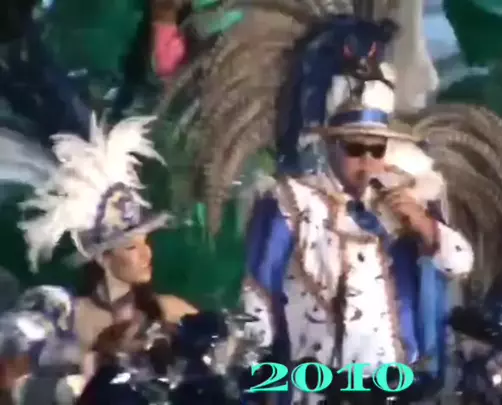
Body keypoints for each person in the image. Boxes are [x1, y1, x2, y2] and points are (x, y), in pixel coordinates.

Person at [242, 65, 474, 404]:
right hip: (318, 386)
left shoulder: (405, 199)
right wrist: (258, 376)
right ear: (330, 145)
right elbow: (259, 291)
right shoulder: (292, 201)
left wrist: (424, 224)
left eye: (376, 149)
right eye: (354, 148)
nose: (367, 160)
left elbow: (460, 264)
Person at [16, 116, 197, 377]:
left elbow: (255, 370)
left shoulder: (170, 310)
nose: (147, 254)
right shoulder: (68, 319)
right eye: (132, 247)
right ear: (103, 259)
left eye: (146, 242)